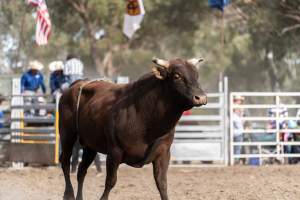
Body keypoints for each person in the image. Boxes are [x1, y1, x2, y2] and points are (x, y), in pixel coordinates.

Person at [232, 95, 245, 164]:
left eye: (240, 100)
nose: (239, 102)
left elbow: (242, 122)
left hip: (239, 132)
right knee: (236, 147)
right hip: (234, 132)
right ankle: (235, 159)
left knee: (238, 147)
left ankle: (237, 160)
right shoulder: (232, 110)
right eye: (238, 100)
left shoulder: (240, 110)